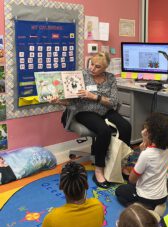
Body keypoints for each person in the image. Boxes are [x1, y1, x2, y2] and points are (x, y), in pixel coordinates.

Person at [53, 52, 132, 189]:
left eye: (97, 66)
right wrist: (58, 101)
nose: (92, 68)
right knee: (104, 131)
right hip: (85, 111)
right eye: (91, 64)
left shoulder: (111, 78)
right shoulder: (81, 76)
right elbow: (71, 101)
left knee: (126, 126)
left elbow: (113, 102)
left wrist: (94, 96)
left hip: (105, 110)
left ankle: (121, 164)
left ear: (105, 68)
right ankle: (99, 170)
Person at [115, 113, 168, 211]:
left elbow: (132, 179)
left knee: (120, 191)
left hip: (147, 198)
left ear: (152, 135)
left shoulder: (146, 154)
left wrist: (143, 150)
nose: (143, 132)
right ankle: (159, 205)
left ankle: (143, 208)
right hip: (163, 196)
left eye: (145, 131)